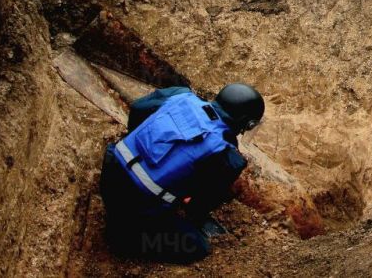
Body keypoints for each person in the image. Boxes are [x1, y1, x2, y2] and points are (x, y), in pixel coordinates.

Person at [99, 83, 265, 264]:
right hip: (136, 208)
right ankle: (125, 241)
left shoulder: (181, 94)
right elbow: (199, 205)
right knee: (197, 247)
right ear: (247, 124)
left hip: (111, 170)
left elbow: (138, 108)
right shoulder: (228, 157)